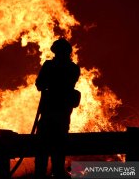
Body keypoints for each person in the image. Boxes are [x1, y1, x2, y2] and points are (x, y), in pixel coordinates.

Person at [34, 38, 80, 179]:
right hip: (63, 115)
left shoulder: (49, 66)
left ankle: (42, 175)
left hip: (49, 114)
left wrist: (50, 84)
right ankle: (57, 174)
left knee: (43, 150)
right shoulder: (73, 68)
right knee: (58, 151)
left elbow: (39, 85)